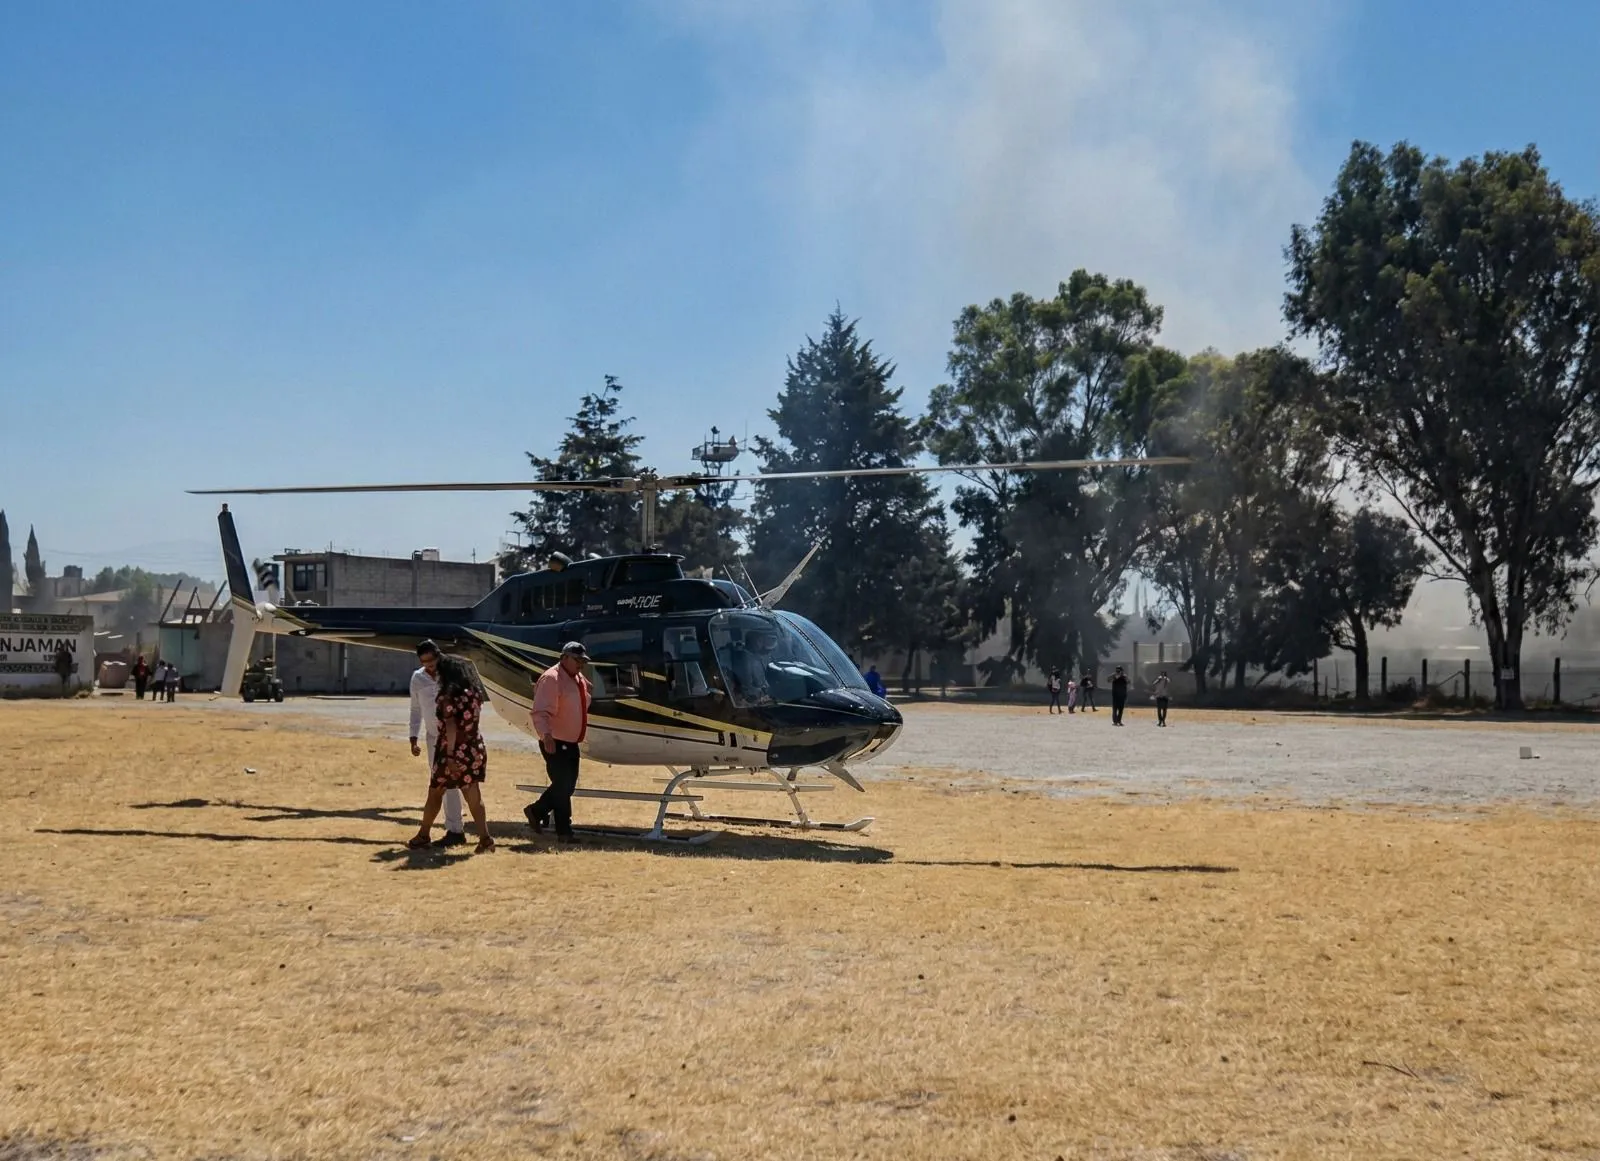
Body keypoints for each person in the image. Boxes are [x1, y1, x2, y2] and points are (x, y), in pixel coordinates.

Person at [407, 655, 494, 853]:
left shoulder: (448, 695)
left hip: (453, 751)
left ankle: (423, 835)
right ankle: (485, 838)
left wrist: (450, 754)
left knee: (435, 792)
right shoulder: (474, 693)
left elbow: (451, 725)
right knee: (473, 794)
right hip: (474, 748)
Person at [526, 641, 592, 842]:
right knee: (563, 785)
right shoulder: (551, 679)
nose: (580, 664)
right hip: (555, 740)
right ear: (564, 658)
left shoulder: (577, 677)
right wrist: (546, 736)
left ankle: (537, 812)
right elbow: (540, 712)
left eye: (583, 661)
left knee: (567, 786)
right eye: (577, 659)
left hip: (570, 741)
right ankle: (563, 831)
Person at [409, 640, 465, 847]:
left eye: (432, 661)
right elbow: (416, 709)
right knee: (440, 785)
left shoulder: (452, 674)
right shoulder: (418, 678)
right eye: (425, 662)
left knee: (456, 784)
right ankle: (450, 830)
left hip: (454, 738)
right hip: (433, 738)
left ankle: (456, 830)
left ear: (438, 656)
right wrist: (413, 737)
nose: (430, 666)